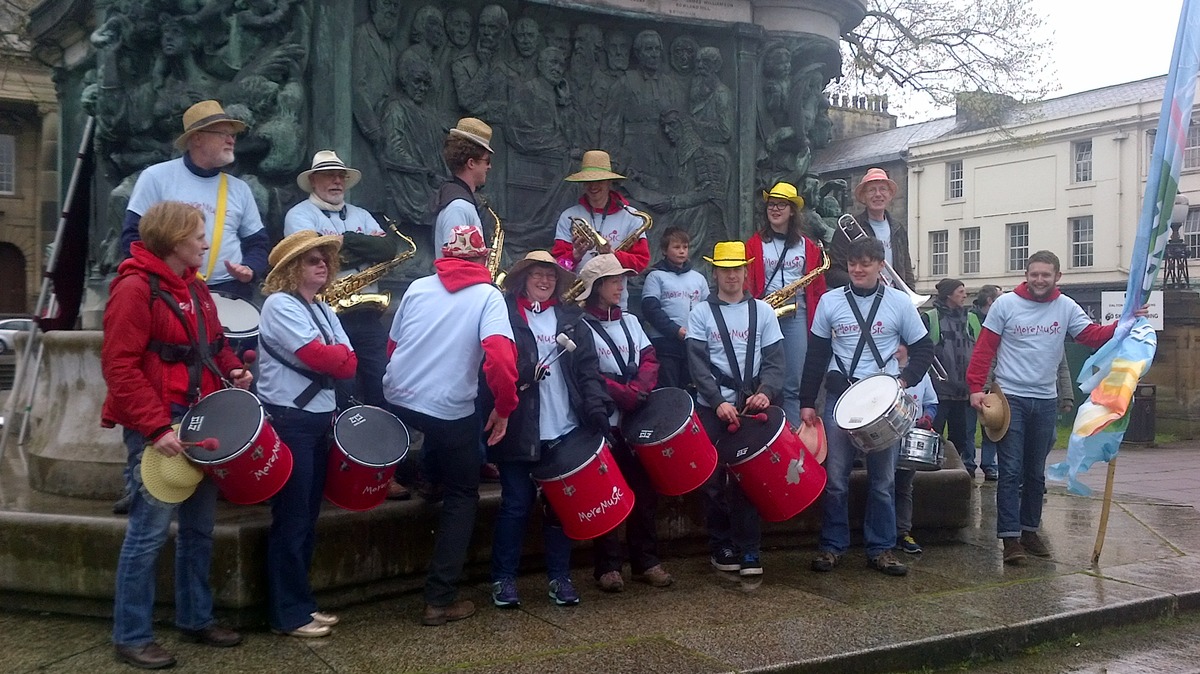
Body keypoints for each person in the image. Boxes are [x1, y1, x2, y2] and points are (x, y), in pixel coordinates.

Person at [101, 201, 251, 669]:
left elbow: (216, 345)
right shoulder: (133, 289)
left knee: (199, 530)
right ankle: (131, 634)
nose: (205, 243)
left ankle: (195, 617)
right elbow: (119, 367)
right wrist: (153, 427)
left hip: (198, 419)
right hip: (161, 424)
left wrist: (233, 370)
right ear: (172, 240)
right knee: (148, 534)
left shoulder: (196, 287)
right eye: (197, 235)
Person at [967, 250, 1147, 565]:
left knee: (1036, 472)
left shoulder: (1065, 307)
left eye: (1045, 275)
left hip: (1045, 399)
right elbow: (985, 348)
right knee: (1010, 470)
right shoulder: (1006, 305)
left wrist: (1128, 321)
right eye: (1034, 274)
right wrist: (974, 388)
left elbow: (1092, 336)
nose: (1039, 280)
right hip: (1011, 398)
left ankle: (1029, 529)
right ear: (1026, 274)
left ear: (1057, 277)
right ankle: (1010, 539)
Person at [383, 225, 518, 625]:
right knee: (464, 493)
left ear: (443, 256)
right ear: (481, 260)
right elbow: (500, 360)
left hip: (398, 394)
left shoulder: (419, 288)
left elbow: (393, 345)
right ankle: (439, 599)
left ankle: (427, 477)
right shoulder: (488, 296)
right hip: (447, 407)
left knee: (443, 434)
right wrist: (506, 409)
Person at [484, 251, 613, 609]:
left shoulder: (571, 319)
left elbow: (588, 370)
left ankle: (560, 577)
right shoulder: (505, 316)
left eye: (551, 276)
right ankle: (503, 579)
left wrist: (597, 411)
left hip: (565, 428)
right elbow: (491, 363)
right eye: (537, 274)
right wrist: (525, 372)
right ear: (523, 278)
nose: (544, 281)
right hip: (520, 427)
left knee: (560, 508)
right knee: (516, 506)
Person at [799, 237, 934, 577]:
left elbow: (923, 349)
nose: (858, 269)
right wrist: (806, 403)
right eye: (854, 263)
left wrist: (904, 381)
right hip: (840, 398)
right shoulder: (830, 302)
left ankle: (882, 548)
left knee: (883, 481)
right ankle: (832, 546)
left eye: (866, 263)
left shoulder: (899, 303)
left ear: (879, 265)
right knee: (836, 480)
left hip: (882, 403)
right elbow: (815, 356)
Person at [257, 231, 357, 638]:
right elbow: (321, 356)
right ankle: (288, 613)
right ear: (291, 268)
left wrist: (335, 358)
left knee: (306, 517)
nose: (321, 264)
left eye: (323, 259)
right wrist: (334, 358)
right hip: (291, 420)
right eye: (311, 259)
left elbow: (347, 363)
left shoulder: (321, 308)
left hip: (316, 419)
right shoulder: (281, 305)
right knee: (293, 517)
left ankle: (302, 603)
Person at [687, 241, 785, 577]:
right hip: (713, 407)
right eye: (725, 269)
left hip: (751, 406)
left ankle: (749, 549)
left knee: (749, 479)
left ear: (746, 272)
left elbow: (775, 361)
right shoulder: (700, 313)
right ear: (715, 273)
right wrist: (717, 402)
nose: (731, 275)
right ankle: (721, 545)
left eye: (737, 269)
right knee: (714, 481)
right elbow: (698, 365)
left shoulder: (764, 311)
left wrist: (766, 392)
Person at [576, 254, 673, 592]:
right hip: (607, 423)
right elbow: (589, 375)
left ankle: (646, 561)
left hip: (637, 420)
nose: (620, 285)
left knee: (645, 493)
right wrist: (623, 394)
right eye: (613, 280)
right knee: (608, 493)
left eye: (621, 280)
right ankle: (607, 566)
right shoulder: (582, 326)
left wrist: (640, 389)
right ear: (596, 287)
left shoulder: (630, 321)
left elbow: (648, 358)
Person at [121, 100, 268, 301]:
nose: (231, 140)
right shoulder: (155, 177)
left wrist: (250, 269)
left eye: (232, 135)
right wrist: (156, 281)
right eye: (223, 134)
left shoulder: (240, 188)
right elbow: (132, 236)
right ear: (197, 138)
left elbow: (258, 243)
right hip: (171, 289)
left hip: (231, 292)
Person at [283, 151, 397, 412]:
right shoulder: (298, 216)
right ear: (313, 181)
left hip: (366, 315)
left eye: (340, 176)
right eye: (328, 176)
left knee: (383, 380)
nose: (336, 181)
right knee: (342, 390)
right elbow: (316, 257)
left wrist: (347, 240)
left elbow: (388, 249)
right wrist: (363, 248)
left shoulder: (362, 214)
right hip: (326, 315)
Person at [745, 181, 828, 426]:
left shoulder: (807, 246)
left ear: (792, 211)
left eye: (782, 205)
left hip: (796, 313)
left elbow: (817, 287)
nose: (775, 209)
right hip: (765, 312)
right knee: (761, 378)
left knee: (794, 381)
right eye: (772, 204)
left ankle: (792, 434)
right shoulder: (754, 243)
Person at [551, 150, 651, 308]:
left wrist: (612, 257)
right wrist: (575, 255)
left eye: (600, 181)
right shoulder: (569, 216)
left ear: (609, 183)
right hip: (576, 302)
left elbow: (641, 262)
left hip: (615, 304)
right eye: (588, 182)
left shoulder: (631, 216)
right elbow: (558, 266)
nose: (593, 186)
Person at [922, 279, 982, 477]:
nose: (965, 295)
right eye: (961, 291)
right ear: (949, 294)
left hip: (963, 391)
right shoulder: (930, 318)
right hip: (938, 391)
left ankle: (953, 472)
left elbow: (980, 350)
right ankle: (933, 472)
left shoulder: (972, 319)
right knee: (934, 434)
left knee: (961, 437)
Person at [640, 226, 709, 389]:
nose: (682, 252)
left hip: (692, 344)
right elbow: (651, 310)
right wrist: (674, 330)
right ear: (664, 250)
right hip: (665, 345)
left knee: (691, 387)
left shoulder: (698, 278)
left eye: (685, 247)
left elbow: (707, 310)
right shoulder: (656, 276)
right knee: (669, 388)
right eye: (676, 247)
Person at [826, 167, 913, 289]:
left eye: (883, 189)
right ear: (863, 197)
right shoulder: (849, 228)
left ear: (890, 195)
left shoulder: (898, 228)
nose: (878, 194)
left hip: (894, 297)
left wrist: (911, 299)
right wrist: (863, 281)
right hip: (861, 297)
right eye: (871, 190)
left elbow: (906, 269)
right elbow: (833, 272)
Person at [892, 343, 939, 555]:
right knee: (882, 486)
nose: (896, 349)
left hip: (909, 440)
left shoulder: (921, 375)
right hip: (886, 438)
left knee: (904, 488)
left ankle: (903, 532)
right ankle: (881, 534)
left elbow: (931, 402)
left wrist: (927, 418)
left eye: (900, 345)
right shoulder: (883, 373)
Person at [430, 117, 496, 258]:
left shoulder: (460, 203)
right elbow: (455, 261)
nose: (489, 166)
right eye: (487, 161)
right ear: (471, 163)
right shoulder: (458, 207)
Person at [970, 284, 1003, 480]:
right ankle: (978, 464)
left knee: (993, 425)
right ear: (991, 301)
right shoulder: (974, 320)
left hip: (994, 382)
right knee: (975, 427)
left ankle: (990, 465)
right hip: (983, 382)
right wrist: (982, 385)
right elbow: (983, 355)